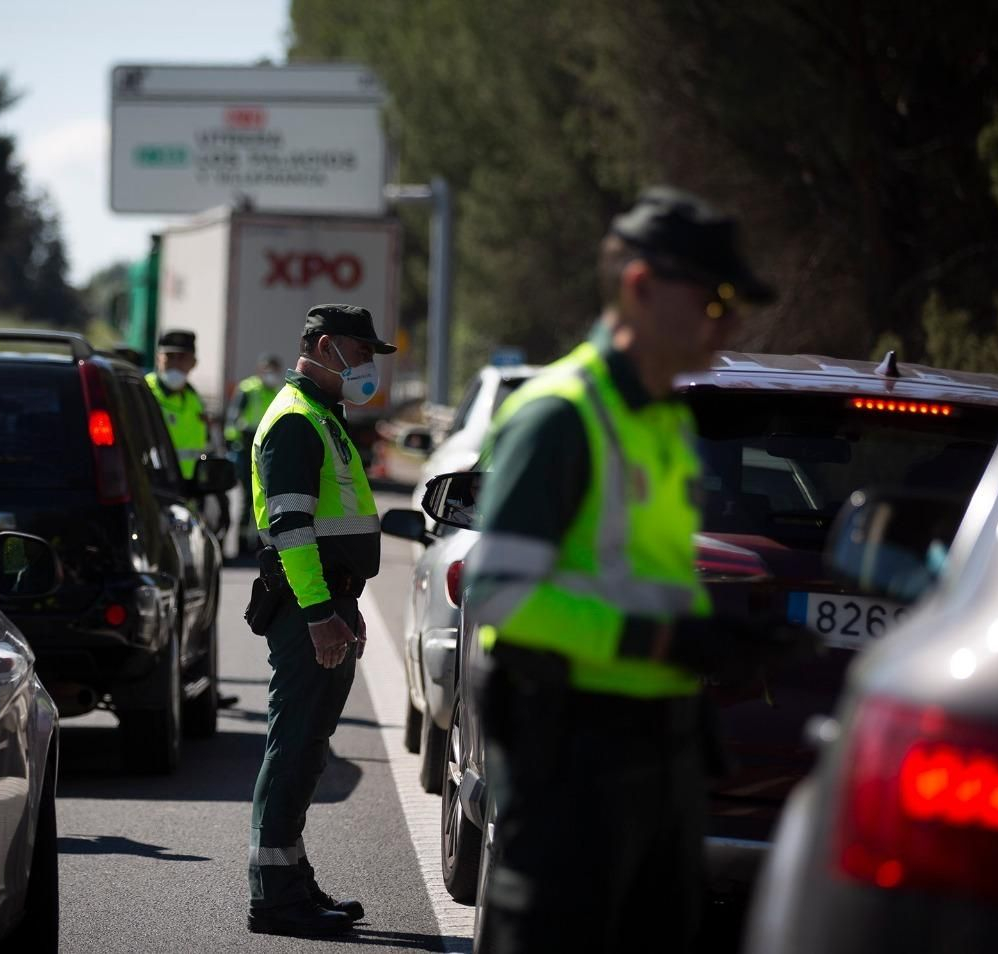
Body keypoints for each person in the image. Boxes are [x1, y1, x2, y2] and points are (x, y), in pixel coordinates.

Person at [464, 187, 820, 953]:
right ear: (640, 286)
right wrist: (662, 643)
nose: (732, 320)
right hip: (572, 762)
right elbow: (502, 595)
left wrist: (723, 633)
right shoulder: (561, 414)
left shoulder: (663, 420)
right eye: (717, 298)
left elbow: (643, 572)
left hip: (664, 753)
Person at [245, 303, 394, 937]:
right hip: (311, 607)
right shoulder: (296, 422)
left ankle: (293, 882)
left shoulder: (323, 417)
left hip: (331, 602)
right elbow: (292, 529)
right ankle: (275, 899)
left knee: (307, 748)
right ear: (327, 347)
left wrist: (342, 606)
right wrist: (319, 615)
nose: (368, 369)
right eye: (362, 355)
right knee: (295, 745)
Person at [225, 352, 284, 554]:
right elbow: (232, 421)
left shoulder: (279, 393)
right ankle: (242, 544)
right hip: (246, 447)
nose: (270, 375)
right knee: (248, 499)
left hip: (269, 450)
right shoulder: (248, 389)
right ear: (260, 371)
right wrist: (236, 443)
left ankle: (260, 543)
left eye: (274, 371)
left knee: (267, 500)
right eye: (267, 370)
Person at [146, 330, 210, 481]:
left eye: (182, 358)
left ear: (194, 363)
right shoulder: (144, 391)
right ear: (158, 359)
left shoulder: (195, 400)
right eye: (169, 357)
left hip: (188, 487)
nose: (175, 364)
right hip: (154, 485)